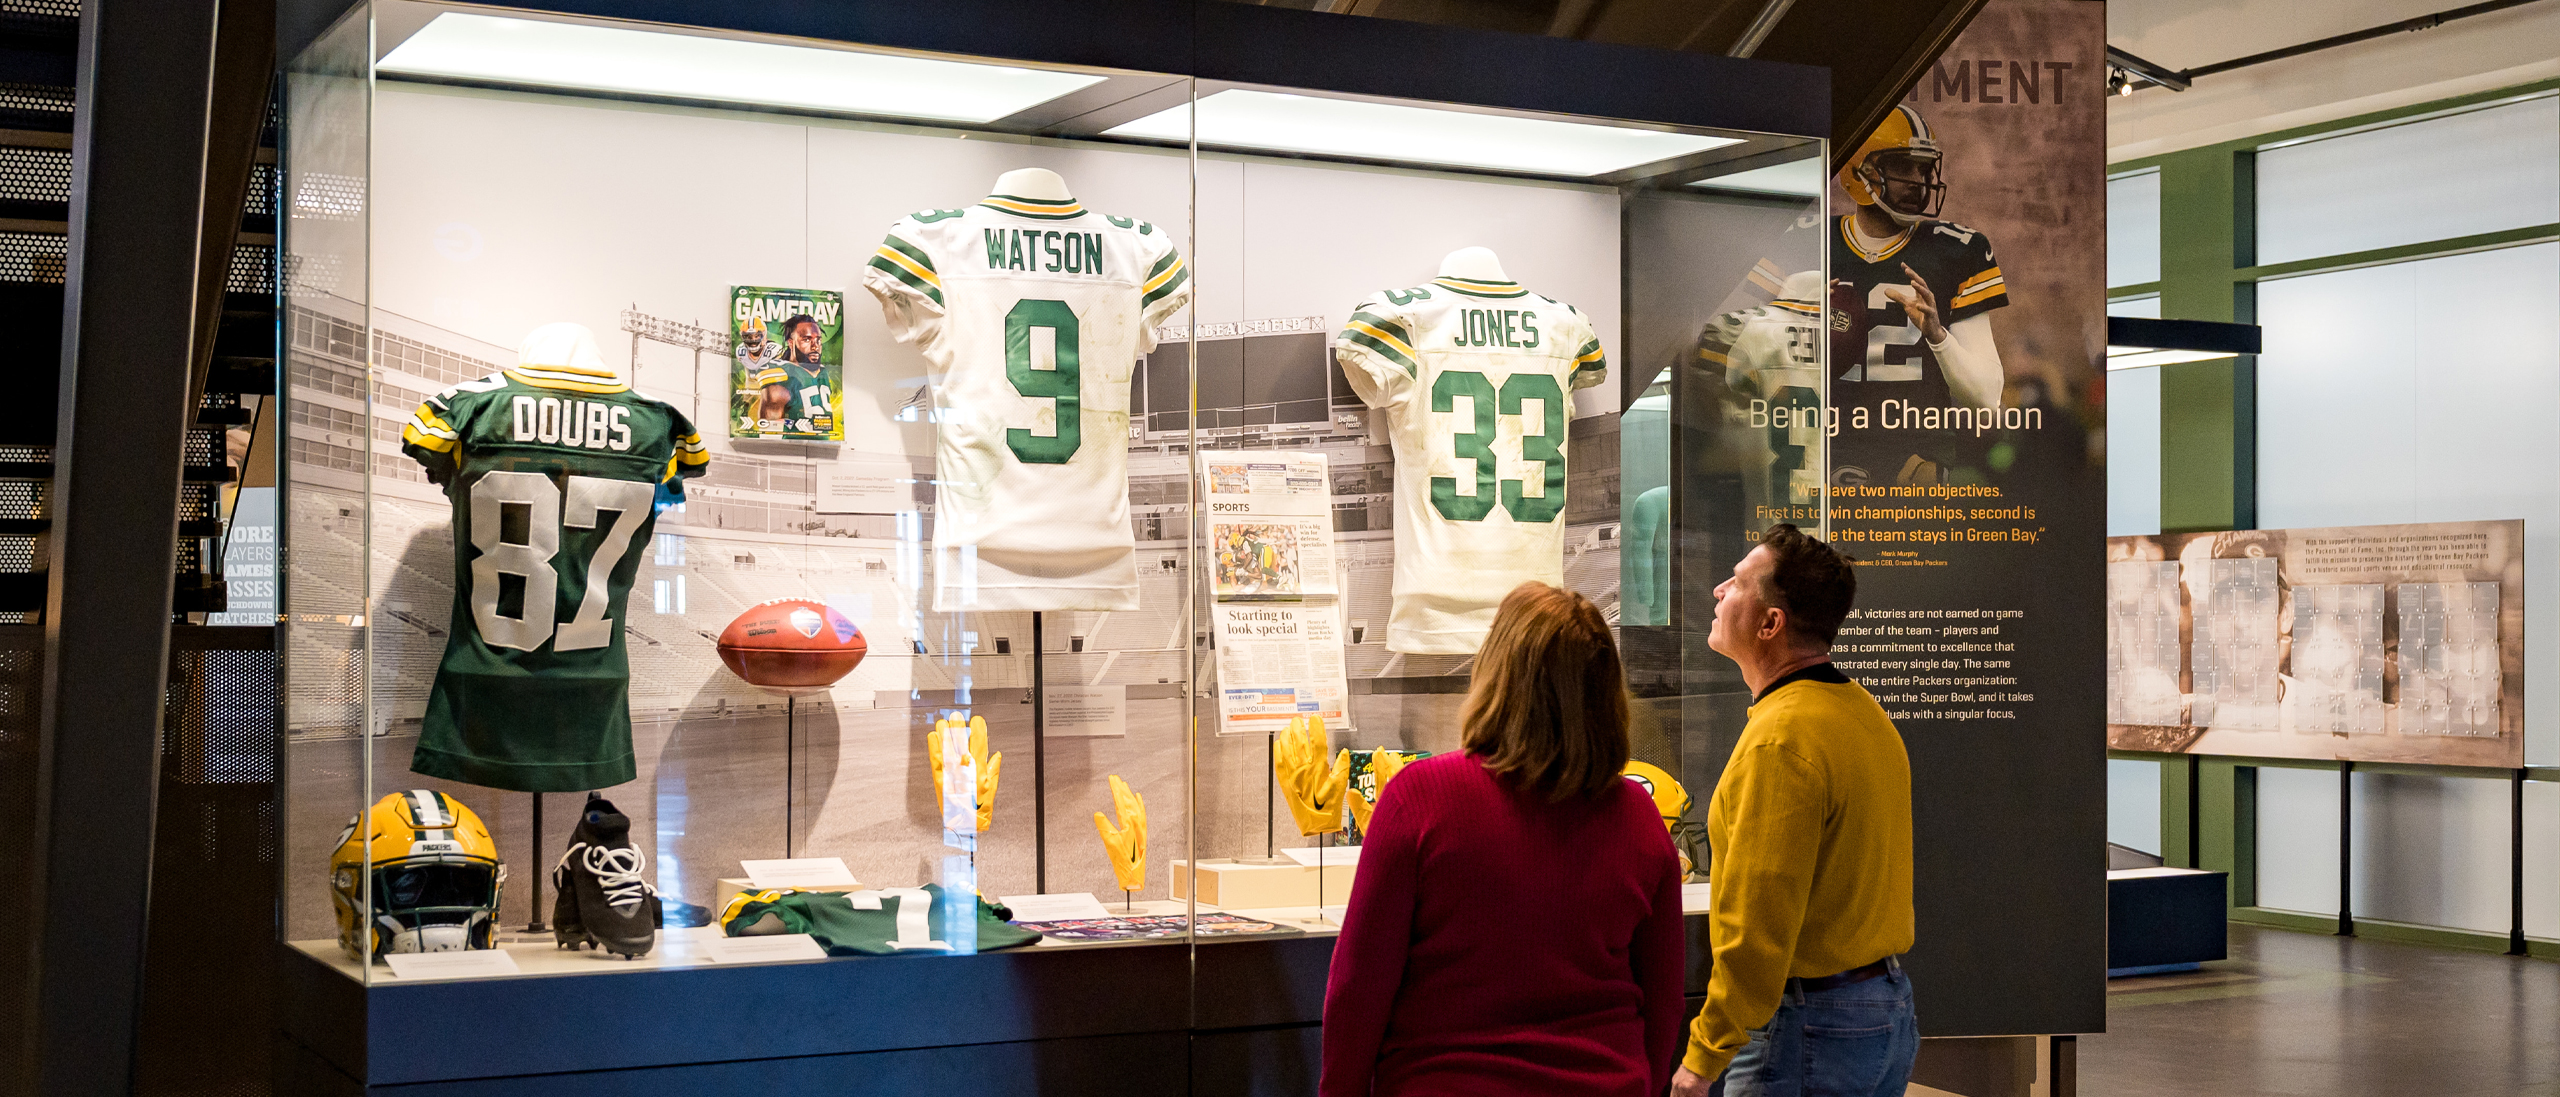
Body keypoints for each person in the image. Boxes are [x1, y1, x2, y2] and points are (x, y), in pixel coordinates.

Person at [1322, 582, 1687, 1097]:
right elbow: (1665, 997)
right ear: (1606, 691)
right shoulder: (1639, 818)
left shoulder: (1420, 799)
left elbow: (1359, 989)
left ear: (1495, 673)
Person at [1672, 525, 1916, 1097]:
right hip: (1880, 1010)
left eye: (1734, 583)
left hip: (1807, 1027)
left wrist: (1705, 1055)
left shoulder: (1781, 739)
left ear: (1769, 623)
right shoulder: (1859, 711)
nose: (1716, 591)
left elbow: (1759, 927)